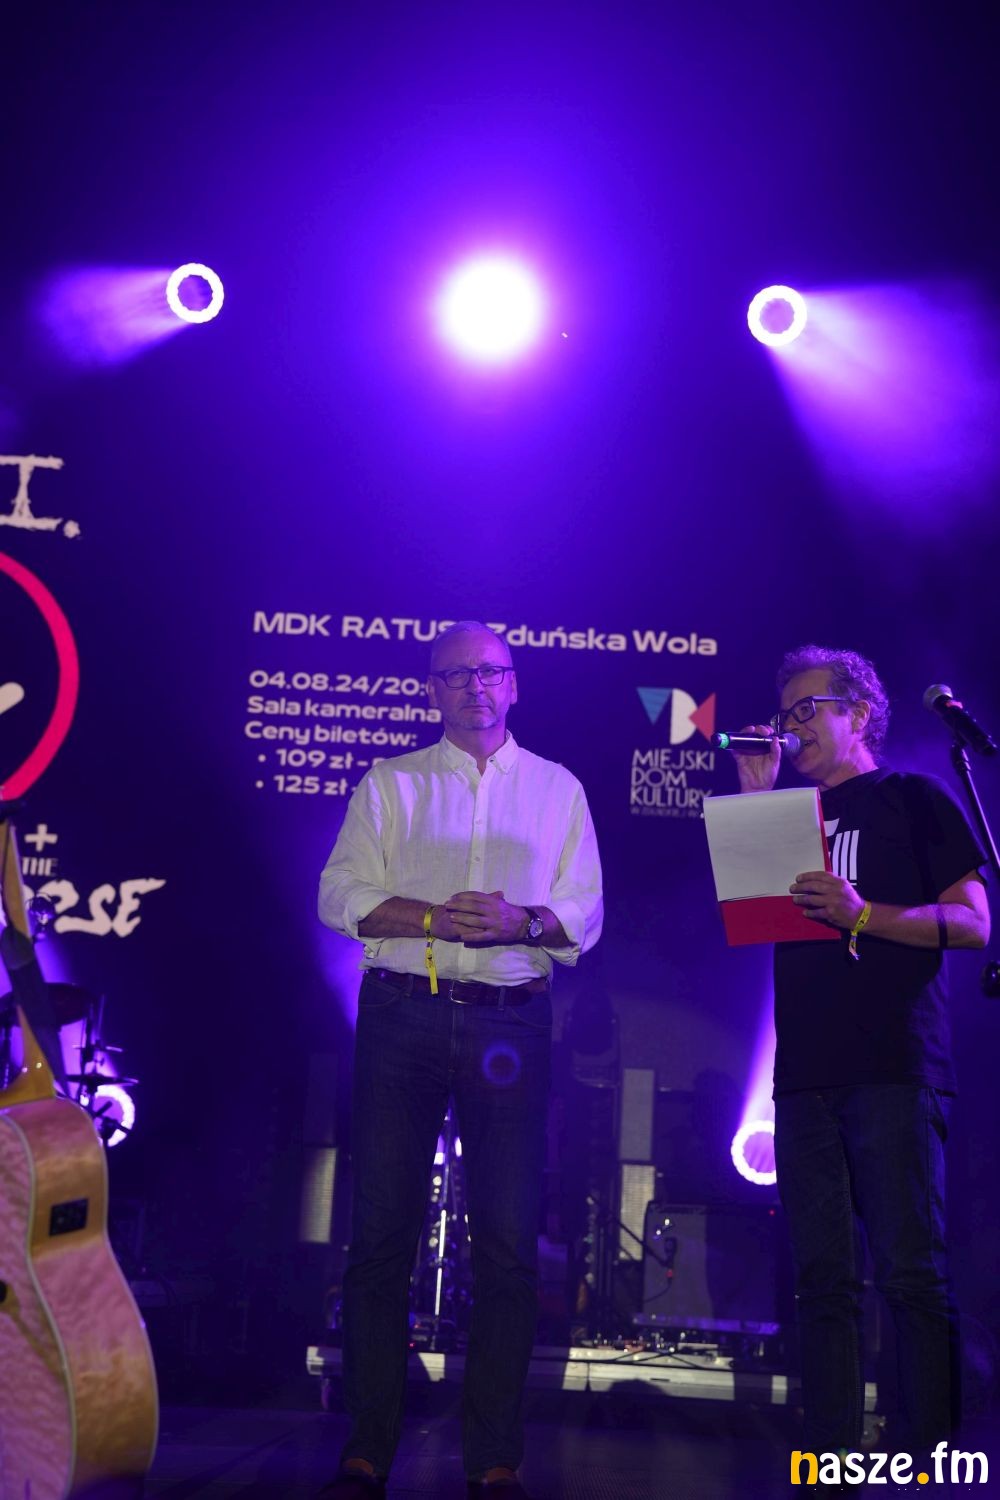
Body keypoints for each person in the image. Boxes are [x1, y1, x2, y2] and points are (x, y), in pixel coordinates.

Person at [318, 621, 603, 1499]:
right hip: (401, 1014)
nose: (476, 687)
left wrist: (521, 922)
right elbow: (338, 894)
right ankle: (367, 1451)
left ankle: (494, 1459)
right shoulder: (391, 782)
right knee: (381, 1239)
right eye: (456, 675)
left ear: (514, 686)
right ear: (431, 690)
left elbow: (584, 914)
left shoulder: (558, 788)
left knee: (509, 1247)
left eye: (491, 673)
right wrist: (431, 917)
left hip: (509, 1026)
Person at [732, 645, 989, 1464]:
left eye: (809, 709)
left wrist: (863, 914)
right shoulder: (785, 814)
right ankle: (832, 1459)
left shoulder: (914, 795)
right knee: (823, 1283)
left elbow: (975, 923)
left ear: (859, 713)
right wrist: (756, 801)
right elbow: (757, 923)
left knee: (911, 1274)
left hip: (895, 1066)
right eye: (787, 712)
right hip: (806, 1075)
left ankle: (933, 1455)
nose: (792, 725)